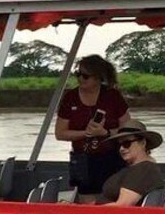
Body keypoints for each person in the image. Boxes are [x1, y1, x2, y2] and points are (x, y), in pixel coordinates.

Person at [55, 55, 130, 203]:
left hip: (111, 156)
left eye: (85, 76)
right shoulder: (70, 97)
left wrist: (105, 133)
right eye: (78, 74)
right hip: (82, 158)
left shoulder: (112, 96)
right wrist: (86, 133)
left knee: (111, 198)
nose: (80, 79)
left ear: (98, 78)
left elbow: (128, 129)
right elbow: (60, 133)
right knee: (87, 200)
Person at [96, 120, 165, 206]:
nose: (121, 148)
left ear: (143, 143)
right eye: (119, 145)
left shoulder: (144, 169)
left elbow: (123, 205)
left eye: (126, 143)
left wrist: (88, 211)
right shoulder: (135, 168)